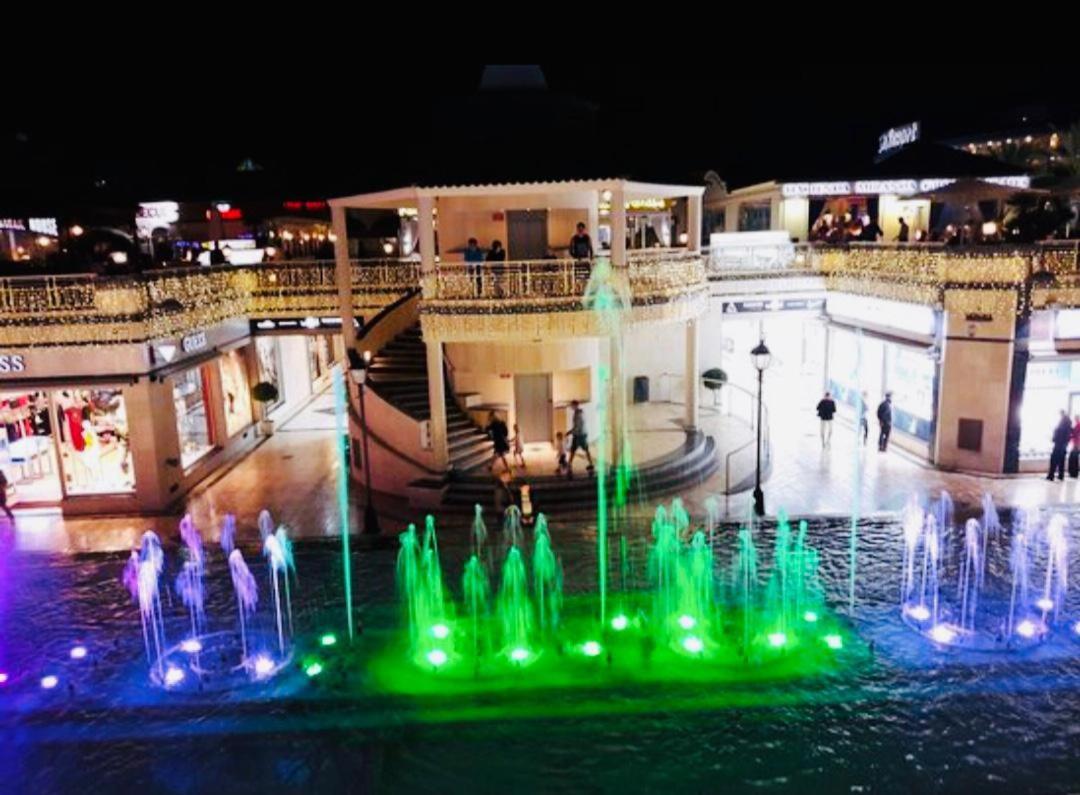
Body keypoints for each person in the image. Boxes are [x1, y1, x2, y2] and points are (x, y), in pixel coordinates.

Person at [566, 400, 594, 479]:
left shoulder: (578, 414)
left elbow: (578, 426)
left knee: (580, 449)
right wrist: (571, 432)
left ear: (575, 405)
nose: (571, 407)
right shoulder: (578, 412)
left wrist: (570, 432)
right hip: (580, 434)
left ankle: (590, 463)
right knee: (574, 449)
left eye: (572, 405)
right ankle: (570, 464)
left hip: (580, 435)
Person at [1048, 410, 1072, 481]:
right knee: (1061, 460)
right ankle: (1061, 475)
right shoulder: (1068, 422)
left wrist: (1054, 437)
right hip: (1064, 444)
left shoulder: (1063, 423)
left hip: (1059, 443)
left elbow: (1059, 432)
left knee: (1054, 459)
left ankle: (1051, 475)